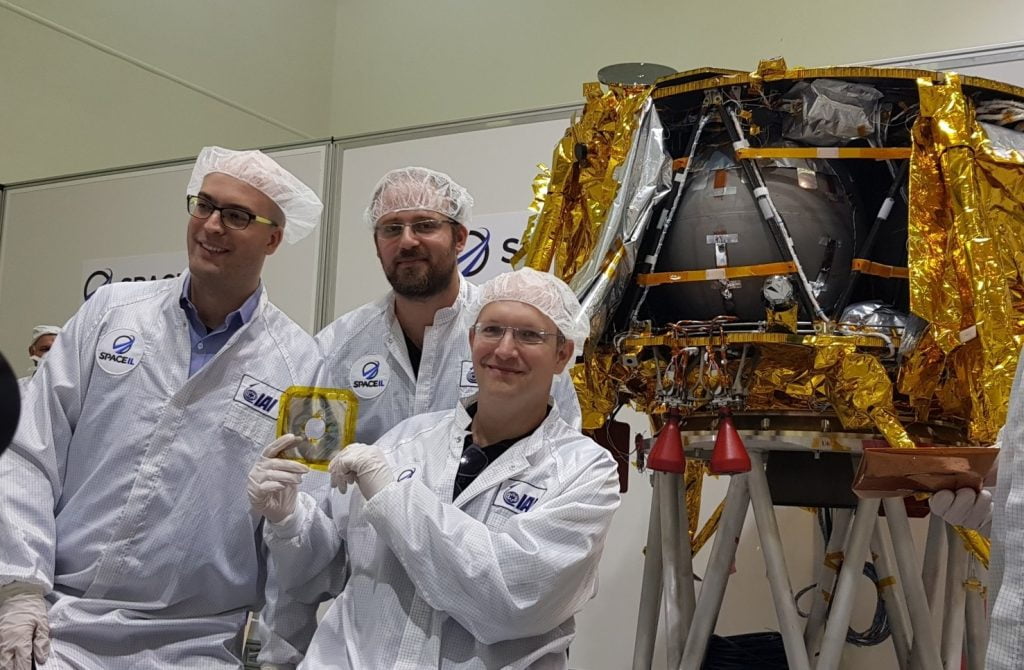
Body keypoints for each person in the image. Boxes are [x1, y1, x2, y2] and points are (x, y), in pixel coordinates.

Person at [0, 146, 324, 670]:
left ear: (273, 238)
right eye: (205, 205)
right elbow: (31, 449)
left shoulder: (303, 364)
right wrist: (19, 589)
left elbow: (304, 525)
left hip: (194, 643)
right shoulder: (111, 312)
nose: (212, 226)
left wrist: (282, 647)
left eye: (237, 215)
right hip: (56, 620)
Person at [248, 267, 621, 668]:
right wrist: (287, 519)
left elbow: (511, 600)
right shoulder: (406, 441)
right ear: (472, 339)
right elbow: (322, 571)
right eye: (492, 330)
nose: (505, 350)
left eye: (529, 335)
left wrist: (393, 499)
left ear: (563, 354)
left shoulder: (585, 472)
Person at [17, 325, 60, 394]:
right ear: (32, 352)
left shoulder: (77, 390)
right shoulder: (16, 389)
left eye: (57, 350)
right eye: (45, 349)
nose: (51, 355)